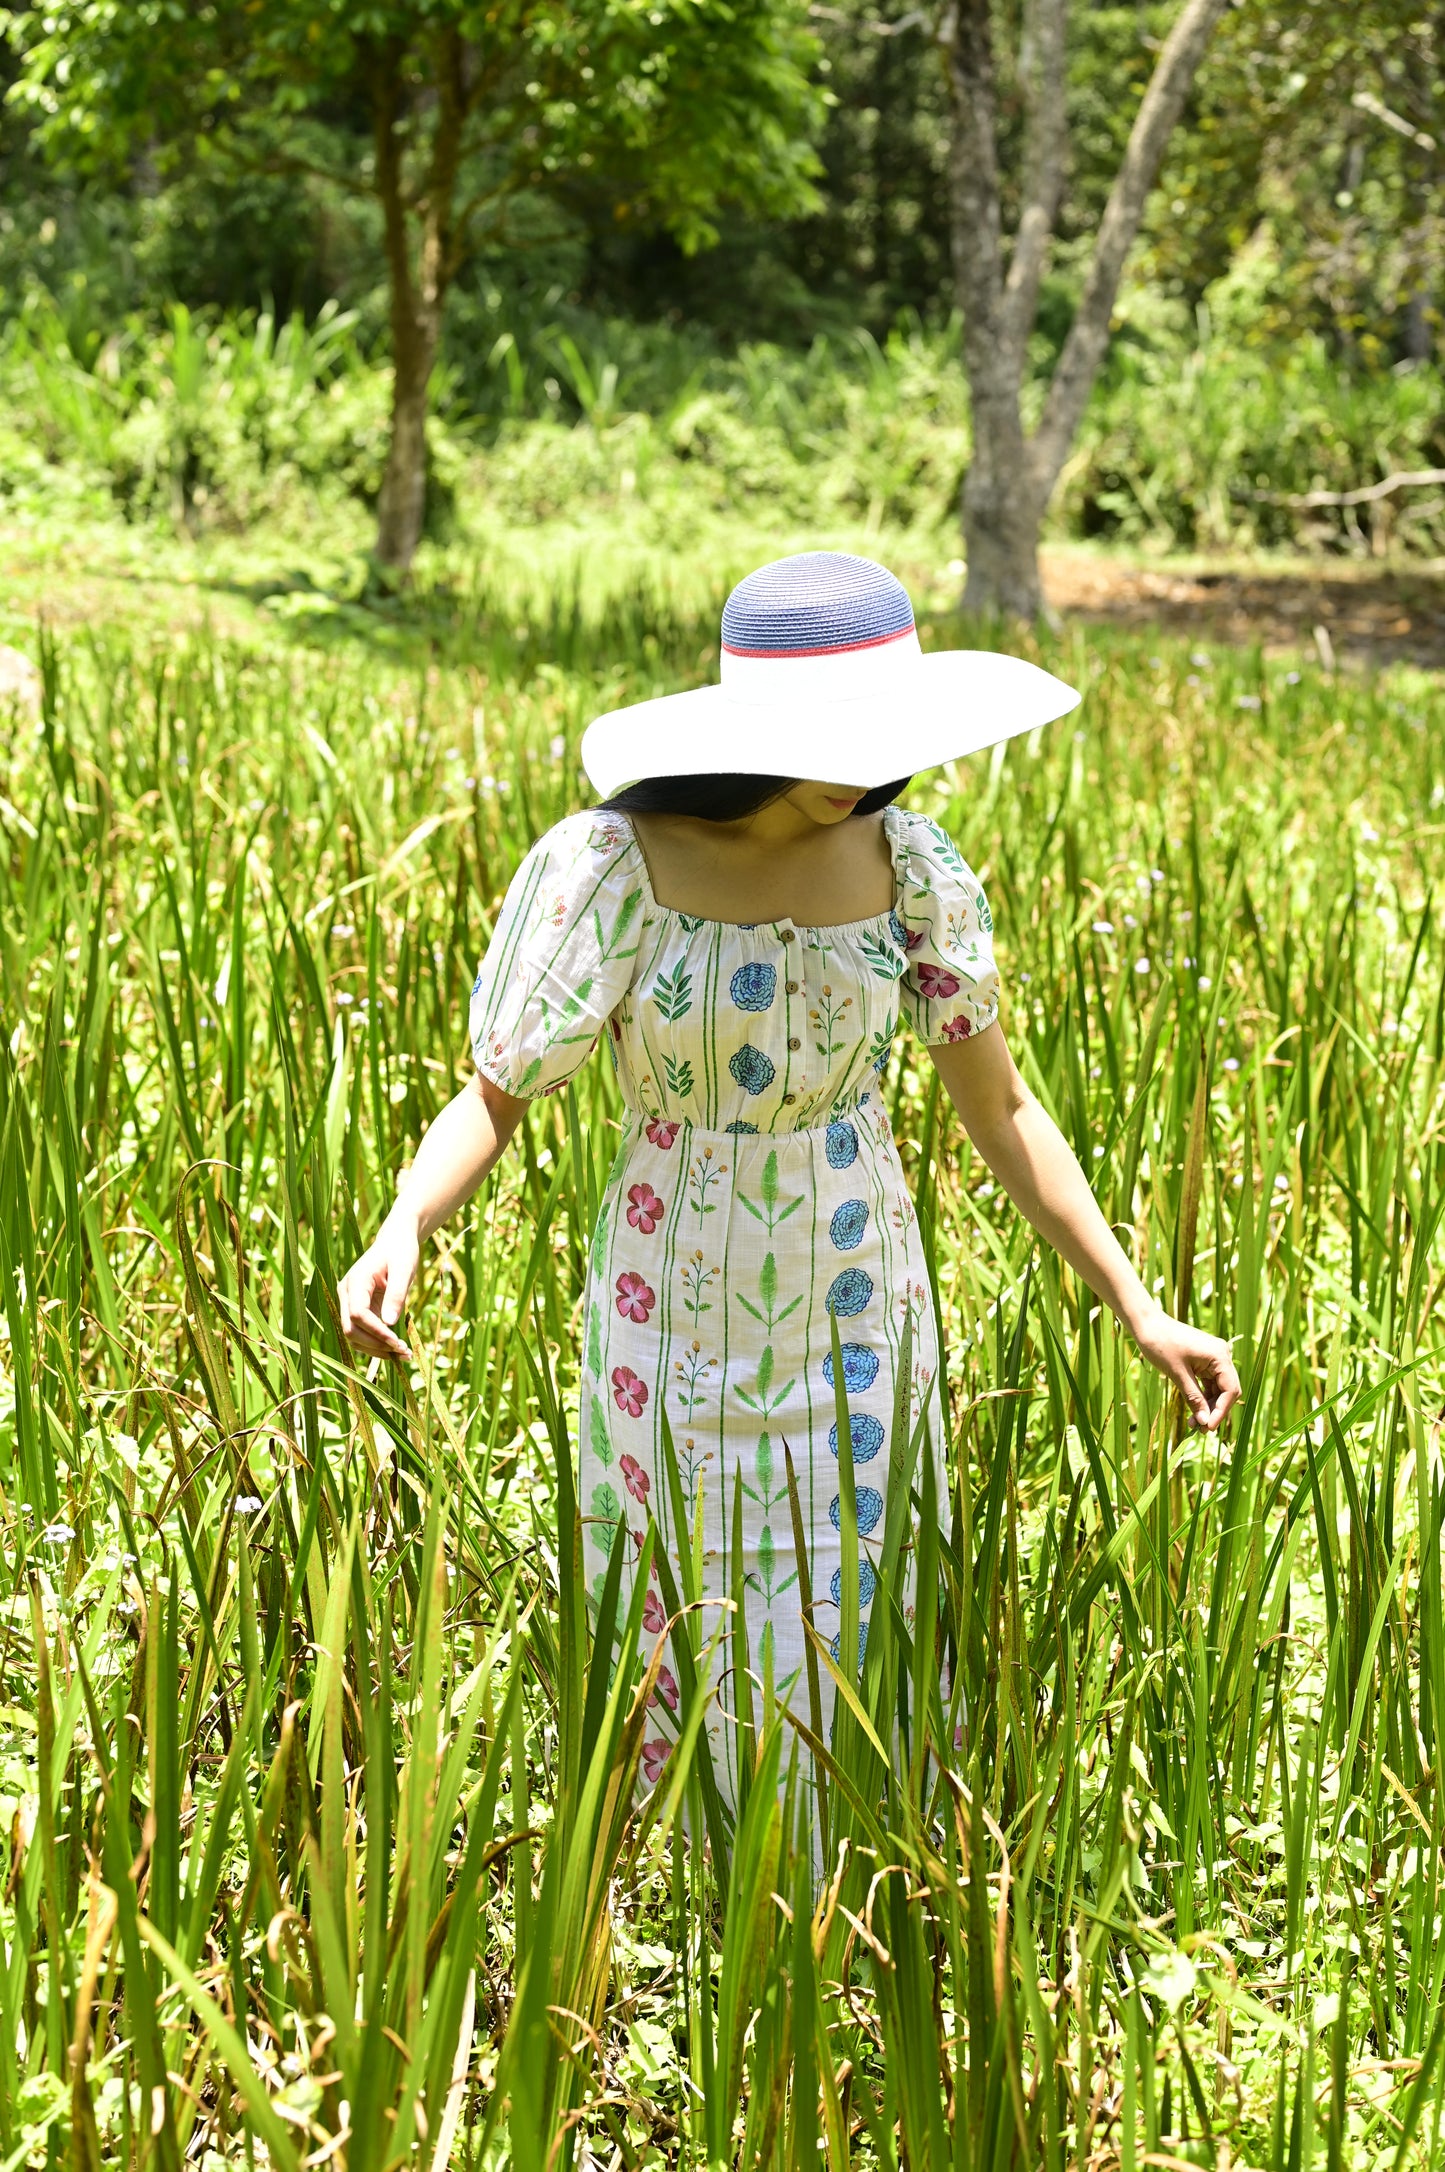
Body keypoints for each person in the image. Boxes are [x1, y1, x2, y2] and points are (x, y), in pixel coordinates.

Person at [338, 551, 1240, 1812]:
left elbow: (1004, 1107)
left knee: (856, 1594)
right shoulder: (610, 864)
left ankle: (850, 1897)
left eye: (885, 737)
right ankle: (674, 1917)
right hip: (666, 1310)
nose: (863, 770)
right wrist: (403, 1223)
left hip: (862, 1305)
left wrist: (1139, 1307)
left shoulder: (911, 865)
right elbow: (497, 1090)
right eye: (833, 739)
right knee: (675, 1600)